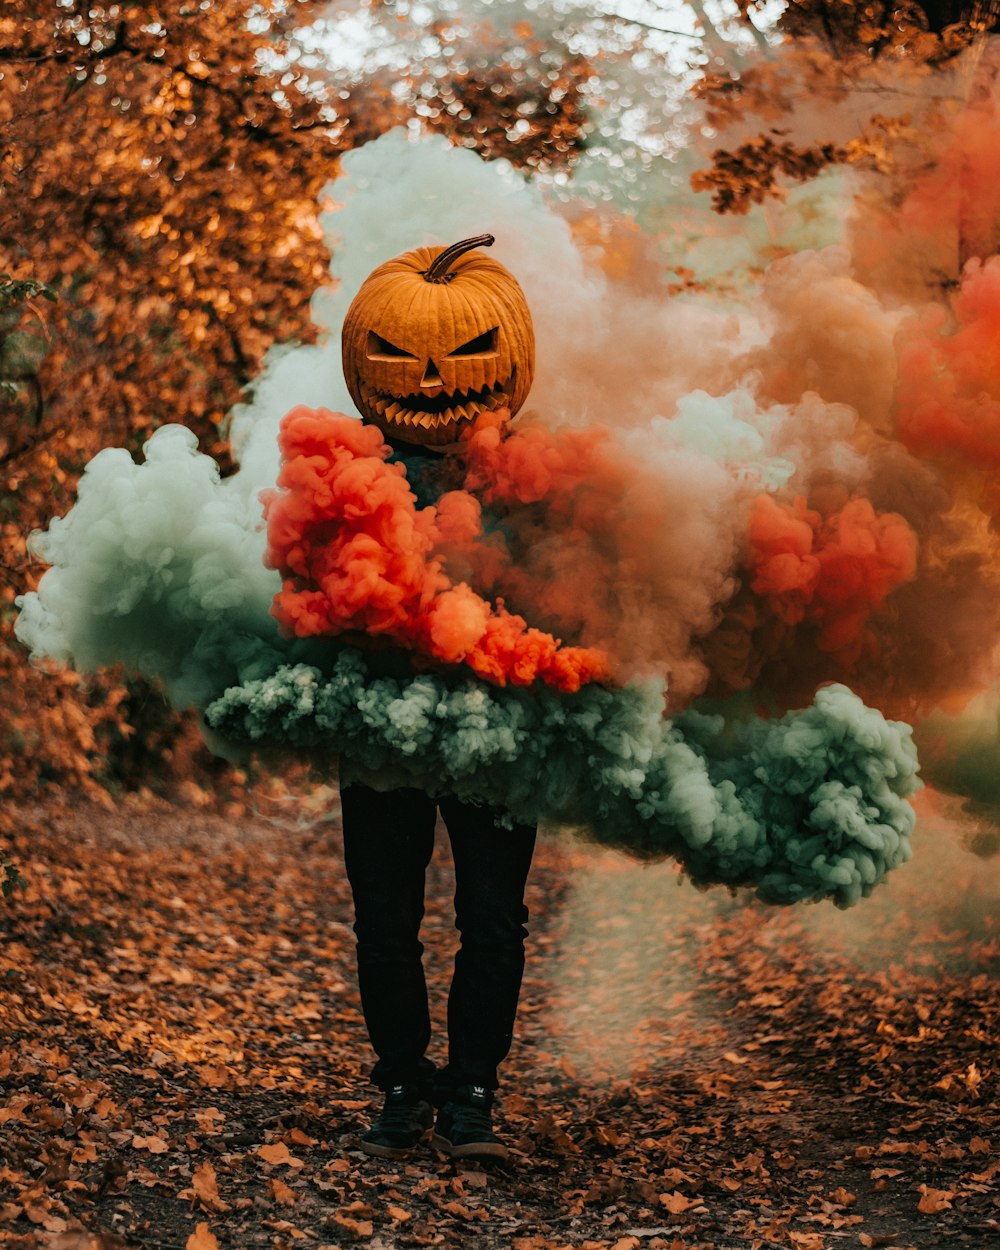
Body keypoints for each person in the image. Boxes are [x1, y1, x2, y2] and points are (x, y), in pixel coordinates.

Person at [342, 782, 536, 1162]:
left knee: (496, 923)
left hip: (502, 738)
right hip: (382, 736)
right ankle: (402, 1088)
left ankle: (472, 1095)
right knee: (382, 920)